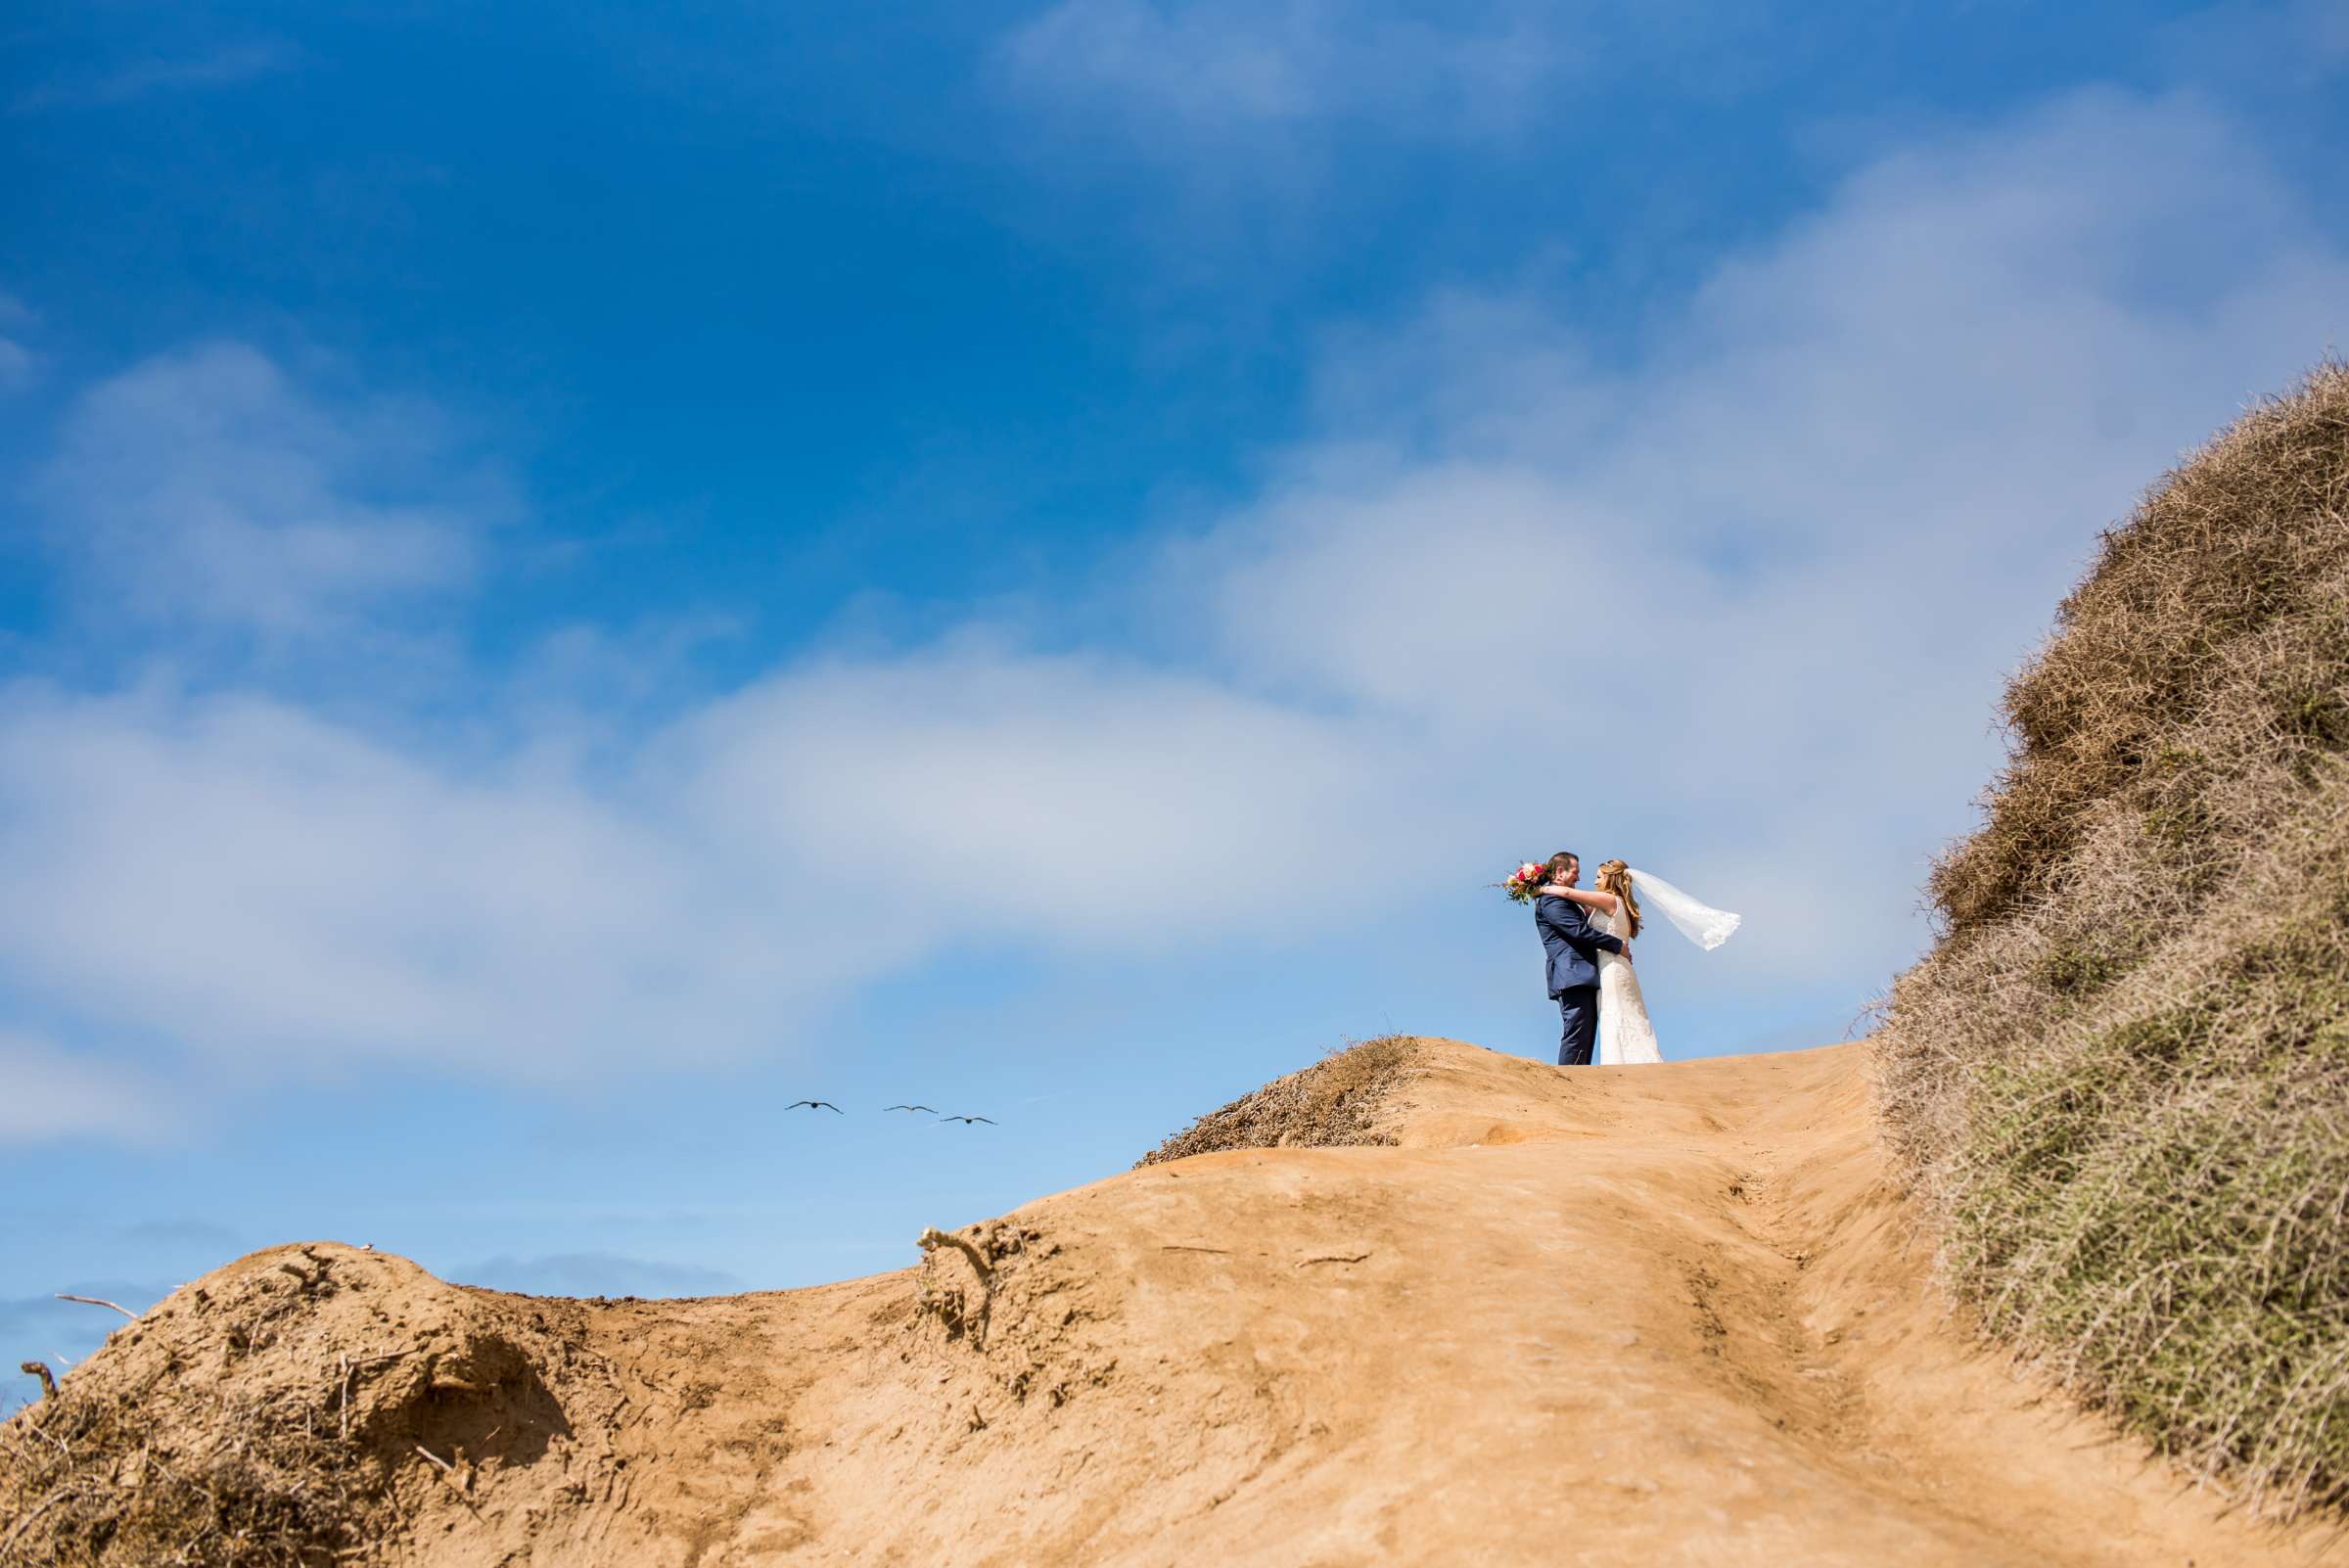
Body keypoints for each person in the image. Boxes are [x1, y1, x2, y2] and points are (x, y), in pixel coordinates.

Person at [1528, 851, 1625, 1067]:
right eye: (1576, 872)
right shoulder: (1552, 901)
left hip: (1579, 974)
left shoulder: (1560, 899)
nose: (1579, 878)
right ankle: (1568, 1080)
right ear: (1560, 872)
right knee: (1577, 1031)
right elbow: (1579, 932)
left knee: (1585, 1032)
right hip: (1572, 974)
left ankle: (1578, 1080)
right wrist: (1618, 945)